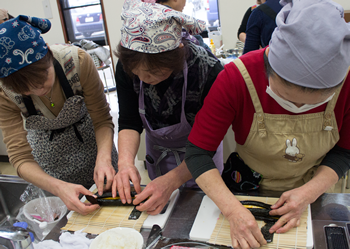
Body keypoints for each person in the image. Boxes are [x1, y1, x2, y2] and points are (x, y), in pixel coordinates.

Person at [185, 0, 350, 248]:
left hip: (316, 187)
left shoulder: (347, 80)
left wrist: (309, 193)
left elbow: (345, 151)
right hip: (247, 187)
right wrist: (232, 209)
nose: (296, 109)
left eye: (313, 103)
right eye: (285, 99)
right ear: (269, 65)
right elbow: (198, 153)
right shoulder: (236, 78)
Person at [113, 0, 224, 215]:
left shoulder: (207, 72)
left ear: (177, 53)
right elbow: (129, 121)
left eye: (155, 73)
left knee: (201, 215)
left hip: (202, 157)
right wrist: (125, 163)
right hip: (160, 155)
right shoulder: (125, 67)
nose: (146, 79)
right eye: (138, 73)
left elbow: (206, 143)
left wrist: (172, 181)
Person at [0, 15, 118, 215]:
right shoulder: (4, 92)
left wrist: (104, 159)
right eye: (26, 91)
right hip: (49, 165)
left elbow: (102, 120)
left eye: (43, 80)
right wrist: (57, 187)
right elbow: (20, 157)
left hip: (94, 147)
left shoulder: (77, 61)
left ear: (48, 53)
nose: (39, 92)